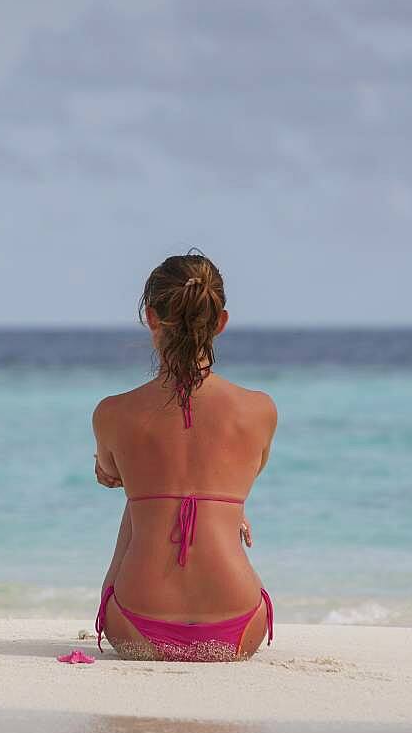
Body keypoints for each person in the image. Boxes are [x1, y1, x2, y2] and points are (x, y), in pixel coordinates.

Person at [93, 249, 278, 661]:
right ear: (222, 323)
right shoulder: (260, 409)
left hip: (137, 625)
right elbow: (242, 475)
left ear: (152, 319)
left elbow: (109, 474)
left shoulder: (112, 412)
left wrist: (125, 473)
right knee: (220, 501)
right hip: (237, 626)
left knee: (140, 501)